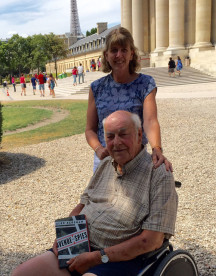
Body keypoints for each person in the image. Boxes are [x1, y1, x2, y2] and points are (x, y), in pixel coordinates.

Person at [11, 110, 178, 276]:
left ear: (139, 134)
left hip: (120, 260)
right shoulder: (106, 164)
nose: (116, 142)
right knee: (20, 273)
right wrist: (64, 237)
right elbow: (82, 204)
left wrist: (96, 258)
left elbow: (151, 241)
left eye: (123, 134)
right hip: (79, 246)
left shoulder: (158, 173)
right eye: (110, 137)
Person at [85, 27, 172, 172]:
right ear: (106, 55)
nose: (119, 55)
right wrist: (98, 149)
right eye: (114, 50)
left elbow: (150, 121)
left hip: (136, 159)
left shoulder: (145, 84)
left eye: (124, 50)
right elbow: (90, 129)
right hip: (106, 159)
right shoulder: (96, 88)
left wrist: (157, 149)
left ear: (131, 54)